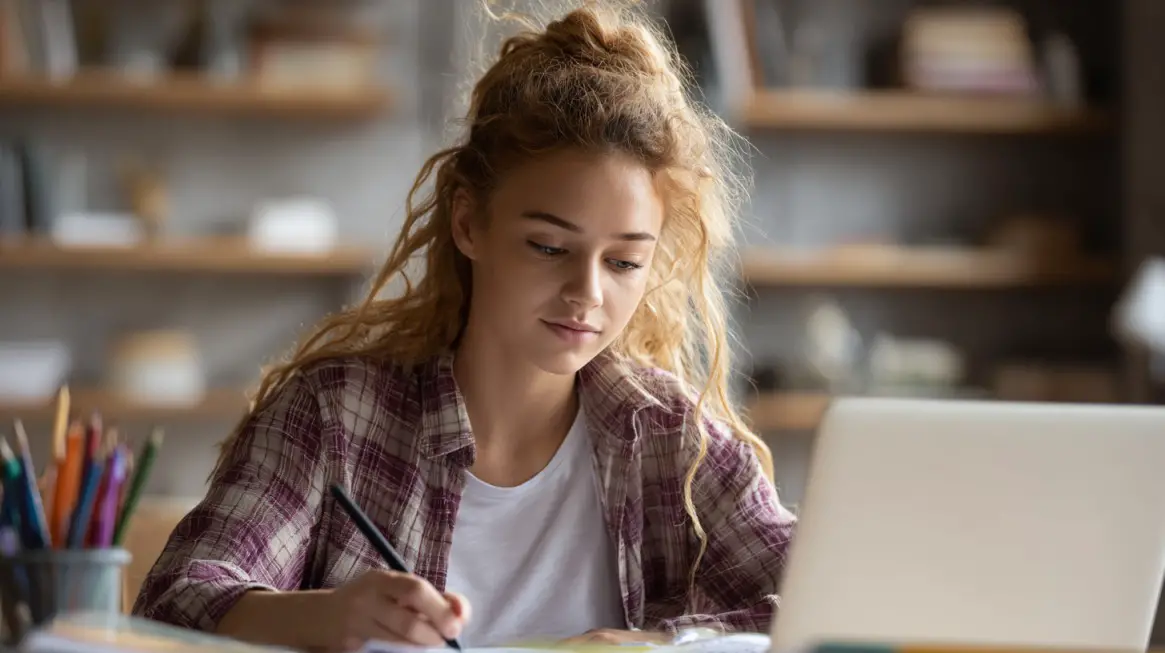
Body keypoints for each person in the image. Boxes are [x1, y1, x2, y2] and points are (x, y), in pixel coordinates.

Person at [132, 2, 796, 650]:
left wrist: (654, 645)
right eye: (547, 246)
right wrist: (327, 617)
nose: (587, 293)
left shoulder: (671, 439)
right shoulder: (335, 415)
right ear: (467, 223)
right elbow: (174, 598)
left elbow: (815, 602)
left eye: (624, 260)